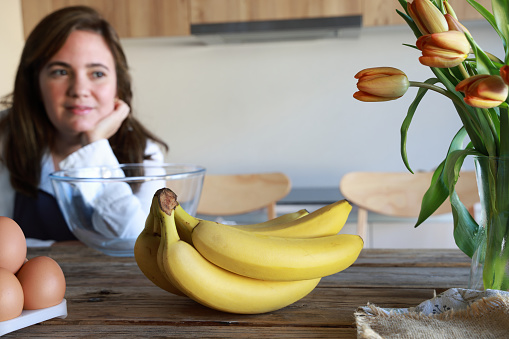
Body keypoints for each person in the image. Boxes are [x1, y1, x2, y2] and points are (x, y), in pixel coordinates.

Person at [0, 6, 168, 243]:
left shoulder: (144, 153)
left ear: (117, 85)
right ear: (35, 83)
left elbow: (137, 242)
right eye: (60, 71)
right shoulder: (3, 137)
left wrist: (95, 146)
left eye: (97, 74)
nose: (79, 90)